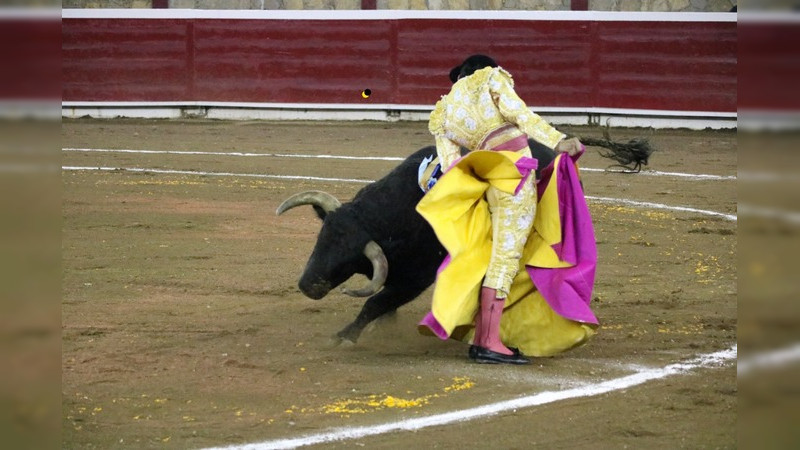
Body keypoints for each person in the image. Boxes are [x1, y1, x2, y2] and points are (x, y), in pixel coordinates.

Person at [423, 55, 584, 365]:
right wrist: (557, 140)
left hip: (490, 187)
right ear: (482, 68)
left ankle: (484, 336)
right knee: (506, 258)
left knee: (497, 254)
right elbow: (518, 113)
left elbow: (450, 167)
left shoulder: (444, 112)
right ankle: (489, 342)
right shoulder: (490, 79)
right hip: (516, 179)